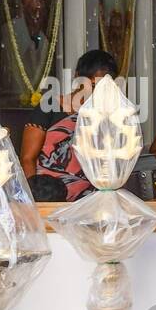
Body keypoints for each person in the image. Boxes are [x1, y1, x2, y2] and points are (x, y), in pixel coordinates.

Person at [29, 49, 119, 201]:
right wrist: (32, 199)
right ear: (78, 78)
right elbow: (28, 158)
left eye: (104, 87)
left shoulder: (107, 116)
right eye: (92, 85)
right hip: (48, 198)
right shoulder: (49, 106)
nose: (97, 91)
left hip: (90, 200)